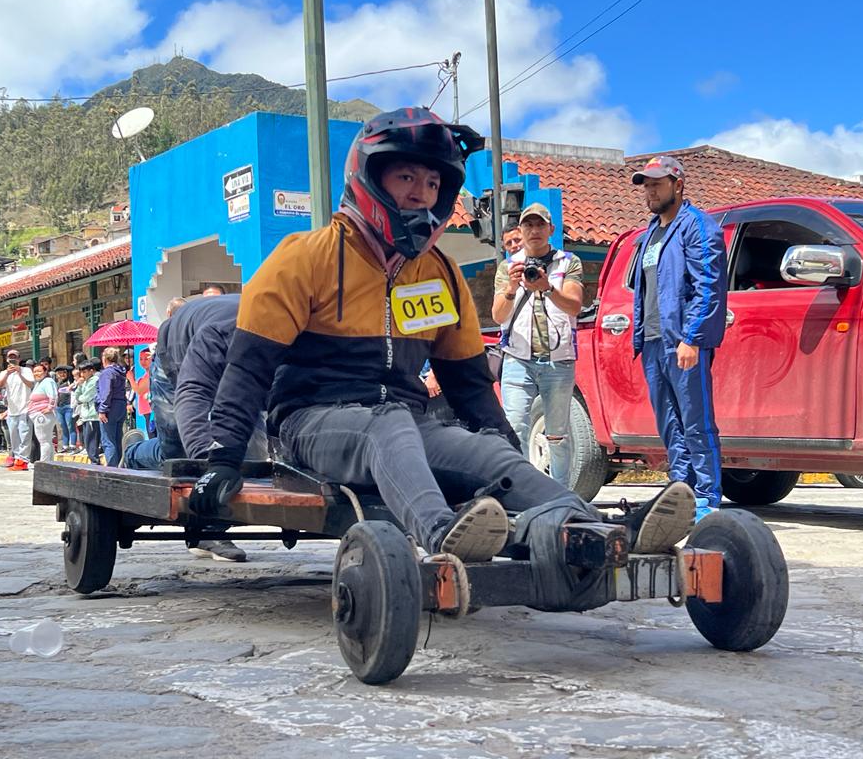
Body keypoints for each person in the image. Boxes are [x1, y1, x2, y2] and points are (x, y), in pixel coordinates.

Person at [189, 108, 693, 561]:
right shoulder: (304, 257)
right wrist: (225, 459)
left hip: (406, 425)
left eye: (433, 183)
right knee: (390, 424)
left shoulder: (440, 272)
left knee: (490, 452)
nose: (421, 193)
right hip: (311, 424)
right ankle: (443, 532)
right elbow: (248, 367)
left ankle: (602, 528)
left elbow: (468, 382)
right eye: (406, 176)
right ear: (369, 177)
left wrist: (505, 455)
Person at [122, 294, 262, 562]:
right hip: (173, 355)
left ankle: (211, 530)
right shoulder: (222, 334)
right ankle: (133, 454)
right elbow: (192, 395)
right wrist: (209, 466)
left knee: (247, 447)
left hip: (223, 348)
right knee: (178, 455)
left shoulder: (297, 333)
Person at [631, 156, 728, 522]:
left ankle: (707, 498)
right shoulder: (649, 235)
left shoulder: (698, 226)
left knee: (696, 422)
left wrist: (694, 338)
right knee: (669, 424)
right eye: (646, 185)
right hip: (653, 342)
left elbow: (708, 286)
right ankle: (680, 492)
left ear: (678, 184)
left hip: (683, 342)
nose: (650, 191)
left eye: (657, 183)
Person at [492, 202, 585, 488]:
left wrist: (547, 287)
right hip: (518, 359)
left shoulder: (568, 262)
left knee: (557, 434)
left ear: (550, 229)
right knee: (515, 428)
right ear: (520, 231)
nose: (534, 230)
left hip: (558, 360)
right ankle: (522, 493)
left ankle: (561, 496)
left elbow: (574, 306)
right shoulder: (508, 267)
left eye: (539, 225)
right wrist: (511, 288)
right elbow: (498, 315)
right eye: (528, 225)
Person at [0, 348, 34, 470]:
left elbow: (30, 384)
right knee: (14, 437)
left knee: (25, 436)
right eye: (10, 357)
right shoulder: (3, 373)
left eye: (15, 357)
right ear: (7, 359)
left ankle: (24, 460)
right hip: (12, 410)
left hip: (25, 409)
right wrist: (7, 373)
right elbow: (0, 385)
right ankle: (17, 459)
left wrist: (19, 372)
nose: (12, 359)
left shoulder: (26, 370)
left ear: (19, 359)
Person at [96, 347, 127, 466]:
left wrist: (102, 409)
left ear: (105, 358)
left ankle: (112, 469)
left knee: (108, 440)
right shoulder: (120, 372)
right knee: (117, 439)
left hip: (110, 406)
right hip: (120, 405)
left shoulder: (107, 373)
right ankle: (120, 466)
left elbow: (106, 392)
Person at [27, 363, 58, 464]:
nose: (37, 373)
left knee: (44, 441)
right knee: (47, 441)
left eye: (39, 371)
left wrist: (50, 407)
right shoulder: (38, 383)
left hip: (43, 415)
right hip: (39, 415)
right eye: (35, 371)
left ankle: (44, 463)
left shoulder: (48, 381)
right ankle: (50, 462)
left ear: (45, 372)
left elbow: (53, 395)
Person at [75, 359, 101, 464]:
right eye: (81, 372)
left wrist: (80, 397)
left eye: (85, 372)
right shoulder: (84, 382)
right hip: (85, 415)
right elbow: (77, 398)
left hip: (93, 415)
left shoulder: (94, 380)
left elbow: (85, 398)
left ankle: (95, 463)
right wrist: (79, 386)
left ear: (91, 371)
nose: (82, 374)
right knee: (87, 441)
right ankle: (93, 461)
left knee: (92, 441)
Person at [53, 365, 76, 453]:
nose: (61, 375)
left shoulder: (70, 382)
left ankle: (73, 445)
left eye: (63, 372)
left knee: (70, 425)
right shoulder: (57, 384)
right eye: (59, 373)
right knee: (63, 427)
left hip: (68, 407)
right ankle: (65, 446)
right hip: (59, 407)